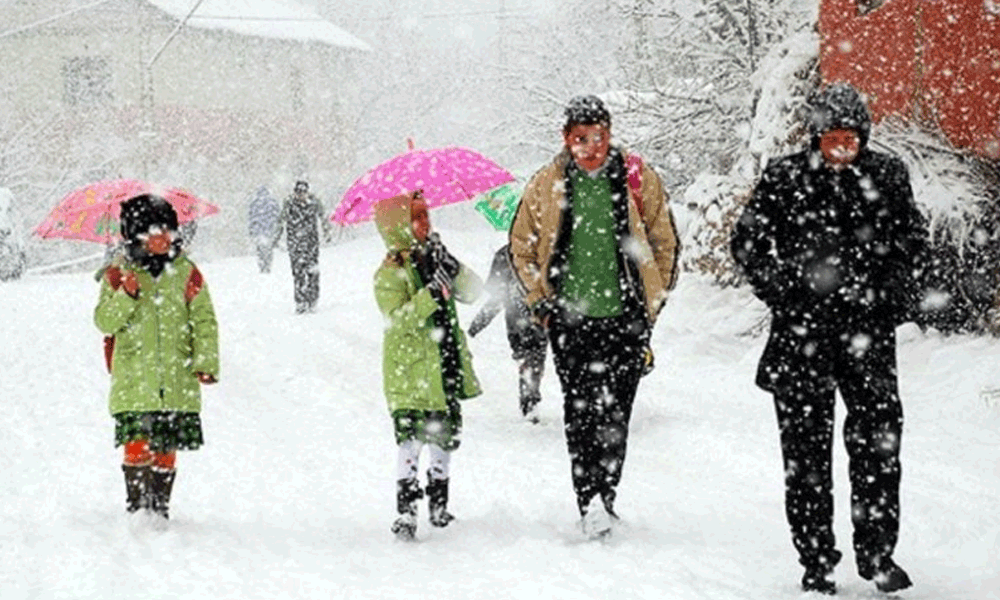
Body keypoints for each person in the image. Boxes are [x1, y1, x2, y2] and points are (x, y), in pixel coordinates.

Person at [729, 82, 928, 595]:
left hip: (869, 337)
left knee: (879, 450)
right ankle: (816, 558)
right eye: (832, 138)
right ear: (815, 136)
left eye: (851, 138)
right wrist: (782, 290)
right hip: (801, 339)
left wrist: (891, 291)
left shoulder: (887, 175)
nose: (843, 147)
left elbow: (914, 240)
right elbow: (748, 240)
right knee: (805, 458)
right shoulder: (785, 177)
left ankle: (879, 555)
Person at [509, 95, 679, 539]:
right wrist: (540, 298)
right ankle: (589, 499)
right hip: (569, 320)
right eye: (581, 138)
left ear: (610, 134)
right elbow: (521, 246)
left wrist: (651, 299)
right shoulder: (547, 184)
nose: (591, 147)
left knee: (618, 412)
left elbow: (664, 237)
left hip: (625, 317)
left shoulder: (635, 178)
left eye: (599, 136)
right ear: (566, 139)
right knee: (581, 412)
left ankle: (608, 492)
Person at [94, 194, 220, 524]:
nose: (163, 238)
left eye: (168, 231)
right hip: (135, 378)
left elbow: (204, 318)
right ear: (136, 235)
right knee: (137, 443)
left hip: (175, 377)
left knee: (166, 444)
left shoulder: (186, 273)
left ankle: (160, 507)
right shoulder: (117, 275)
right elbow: (104, 322)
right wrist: (127, 294)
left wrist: (205, 362)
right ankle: (137, 507)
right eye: (154, 232)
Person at [373, 190, 483, 541]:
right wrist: (429, 296)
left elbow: (474, 291)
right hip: (412, 370)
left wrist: (451, 265)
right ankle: (406, 509)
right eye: (416, 217)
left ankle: (439, 503)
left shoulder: (435, 258)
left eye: (426, 215)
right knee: (410, 440)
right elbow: (397, 319)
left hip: (444, 360)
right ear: (398, 226)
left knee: (443, 437)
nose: (425, 222)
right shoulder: (389, 273)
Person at [467, 244, 548, 422]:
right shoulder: (541, 251)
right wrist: (478, 324)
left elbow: (496, 297)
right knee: (533, 358)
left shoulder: (505, 254)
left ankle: (529, 396)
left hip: (522, 321)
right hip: (532, 320)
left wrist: (478, 324)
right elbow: (497, 298)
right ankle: (530, 400)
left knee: (530, 359)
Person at [272, 180, 331, 313]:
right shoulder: (289, 203)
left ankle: (312, 300)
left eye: (303, 193)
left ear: (307, 192)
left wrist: (327, 232)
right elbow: (280, 221)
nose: (301, 196)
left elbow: (323, 217)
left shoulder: (314, 202)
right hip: (295, 244)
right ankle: (300, 301)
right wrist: (276, 238)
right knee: (298, 273)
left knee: (312, 272)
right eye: (298, 193)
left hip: (311, 243)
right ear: (294, 193)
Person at [247, 185, 280, 273]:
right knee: (268, 249)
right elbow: (276, 216)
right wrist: (275, 228)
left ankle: (262, 264)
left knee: (260, 249)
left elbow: (251, 217)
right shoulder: (272, 202)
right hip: (269, 230)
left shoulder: (254, 203)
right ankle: (267, 264)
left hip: (258, 231)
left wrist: (251, 229)